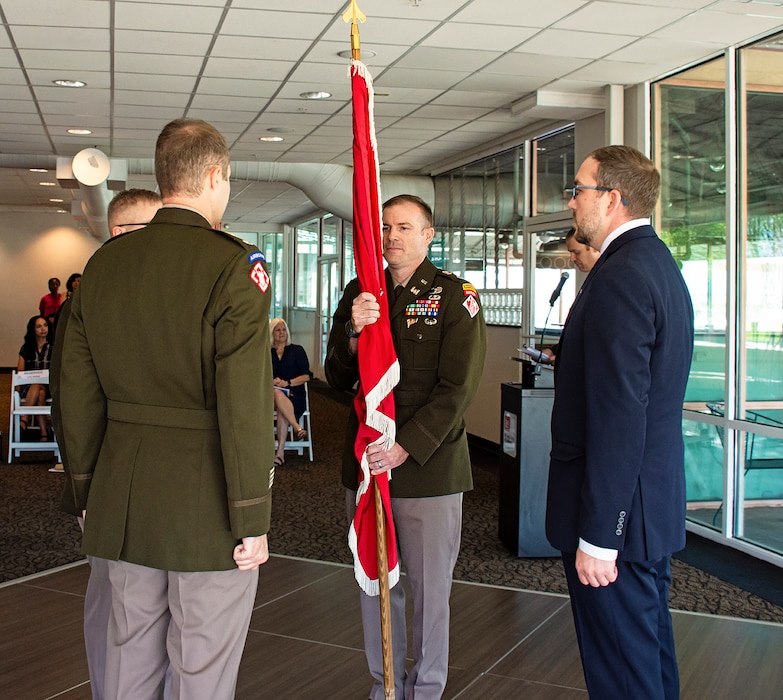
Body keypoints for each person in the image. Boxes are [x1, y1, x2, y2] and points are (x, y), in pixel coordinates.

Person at [59, 118, 275, 700]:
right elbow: (246, 403)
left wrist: (87, 492)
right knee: (201, 669)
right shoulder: (235, 264)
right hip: (209, 505)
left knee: (126, 665)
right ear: (213, 177)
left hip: (123, 498)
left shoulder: (104, 265)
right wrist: (252, 515)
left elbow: (74, 395)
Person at [546, 145, 694, 699]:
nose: (571, 200)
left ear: (611, 199)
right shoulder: (655, 263)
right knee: (647, 659)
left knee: (622, 673)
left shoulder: (621, 277)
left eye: (579, 189)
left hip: (619, 520)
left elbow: (619, 416)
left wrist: (601, 536)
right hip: (643, 511)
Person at [325, 194, 487, 699]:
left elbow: (457, 388)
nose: (392, 236)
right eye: (385, 227)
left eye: (404, 226)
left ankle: (427, 689)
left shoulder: (454, 296)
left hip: (427, 469)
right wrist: (353, 328)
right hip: (371, 468)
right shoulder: (360, 291)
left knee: (429, 593)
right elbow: (337, 375)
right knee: (376, 587)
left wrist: (406, 446)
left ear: (428, 235)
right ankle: (385, 687)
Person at [49, 189, 162, 699]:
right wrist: (86, 490)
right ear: (121, 232)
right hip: (105, 480)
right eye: (154, 230)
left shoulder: (159, 294)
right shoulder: (88, 299)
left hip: (153, 479)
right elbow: (72, 404)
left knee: (136, 604)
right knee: (114, 603)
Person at [543, 225, 600, 363]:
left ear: (593, 247)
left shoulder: (606, 283)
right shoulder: (591, 280)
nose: (572, 258)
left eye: (576, 252)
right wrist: (555, 350)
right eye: (570, 252)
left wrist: (570, 359)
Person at [270, 317, 312, 467]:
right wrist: (272, 382)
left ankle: (279, 454)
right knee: (276, 393)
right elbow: (258, 376)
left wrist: (287, 383)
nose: (282, 333)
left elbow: (307, 376)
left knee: (282, 408)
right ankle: (297, 428)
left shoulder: (297, 350)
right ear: (271, 333)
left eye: (283, 330)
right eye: (277, 330)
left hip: (295, 396)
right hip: (271, 399)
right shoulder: (267, 354)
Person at [16, 315, 52, 439]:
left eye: (45, 325)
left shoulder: (54, 348)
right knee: (39, 391)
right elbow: (20, 371)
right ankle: (43, 432)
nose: (43, 329)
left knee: (40, 389)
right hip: (28, 387)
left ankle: (24, 418)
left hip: (49, 387)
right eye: (39, 326)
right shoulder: (26, 348)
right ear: (33, 330)